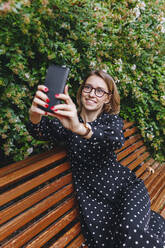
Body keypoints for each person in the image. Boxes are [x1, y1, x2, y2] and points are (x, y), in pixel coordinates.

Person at [27, 70, 165, 248]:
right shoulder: (67, 122)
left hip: (126, 189)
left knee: (131, 234)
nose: (92, 94)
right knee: (118, 240)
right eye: (88, 88)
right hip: (96, 204)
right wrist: (35, 114)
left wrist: (80, 128)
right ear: (81, 91)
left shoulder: (110, 122)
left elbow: (115, 139)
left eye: (100, 91)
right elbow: (40, 130)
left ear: (107, 98)